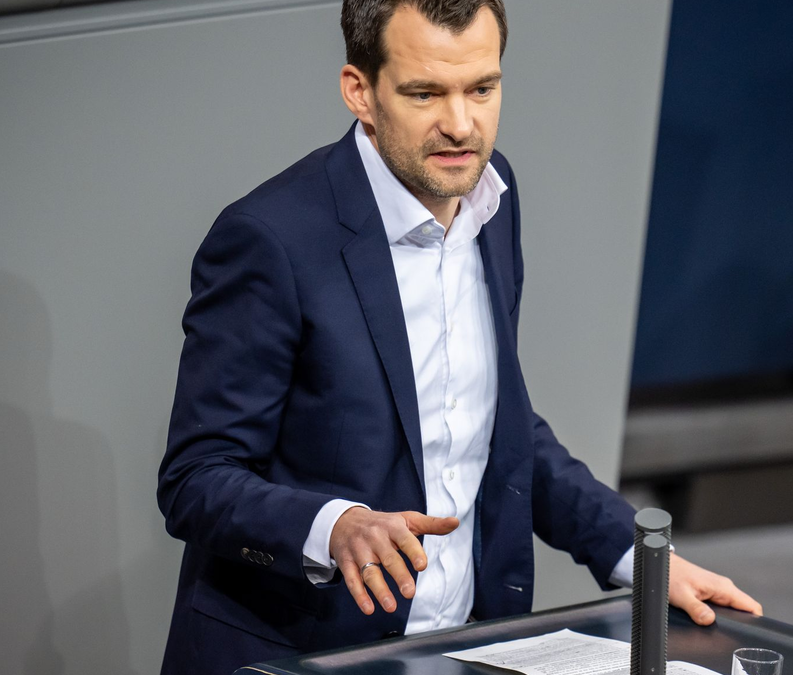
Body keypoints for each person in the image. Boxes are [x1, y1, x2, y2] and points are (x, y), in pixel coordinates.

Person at [156, 1, 761, 673]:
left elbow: (502, 428)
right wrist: (336, 526)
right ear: (361, 91)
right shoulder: (271, 240)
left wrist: (639, 559)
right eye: (425, 93)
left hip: (462, 648)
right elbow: (197, 478)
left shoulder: (494, 202)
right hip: (304, 652)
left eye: (482, 88)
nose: (461, 124)